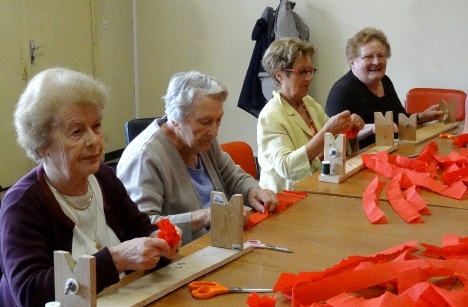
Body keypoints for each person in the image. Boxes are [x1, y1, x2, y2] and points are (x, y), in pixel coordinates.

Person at [0, 68, 179, 307]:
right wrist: (114, 261)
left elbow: (139, 226)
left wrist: (157, 242)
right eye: (76, 132)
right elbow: (31, 294)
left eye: (96, 126)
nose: (94, 140)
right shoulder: (22, 205)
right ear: (42, 145)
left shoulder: (102, 176)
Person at [116, 71, 278, 245]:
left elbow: (231, 175)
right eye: (205, 121)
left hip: (218, 243)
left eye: (218, 120)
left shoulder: (203, 141)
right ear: (176, 119)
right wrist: (205, 216)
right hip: (179, 258)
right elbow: (142, 227)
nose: (215, 132)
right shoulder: (144, 157)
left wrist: (253, 190)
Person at [257, 37, 364, 192]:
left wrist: (349, 129)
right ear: (279, 75)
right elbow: (287, 168)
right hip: (287, 199)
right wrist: (328, 131)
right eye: (301, 72)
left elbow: (333, 146)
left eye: (310, 71)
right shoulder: (270, 116)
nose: (309, 78)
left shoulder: (309, 103)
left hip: (319, 186)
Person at [326, 27, 443, 148]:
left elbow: (398, 119)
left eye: (381, 55)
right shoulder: (342, 92)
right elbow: (336, 136)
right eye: (368, 56)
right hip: (360, 158)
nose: (376, 62)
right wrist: (372, 127)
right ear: (352, 63)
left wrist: (420, 117)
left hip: (392, 149)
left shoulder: (385, 81)